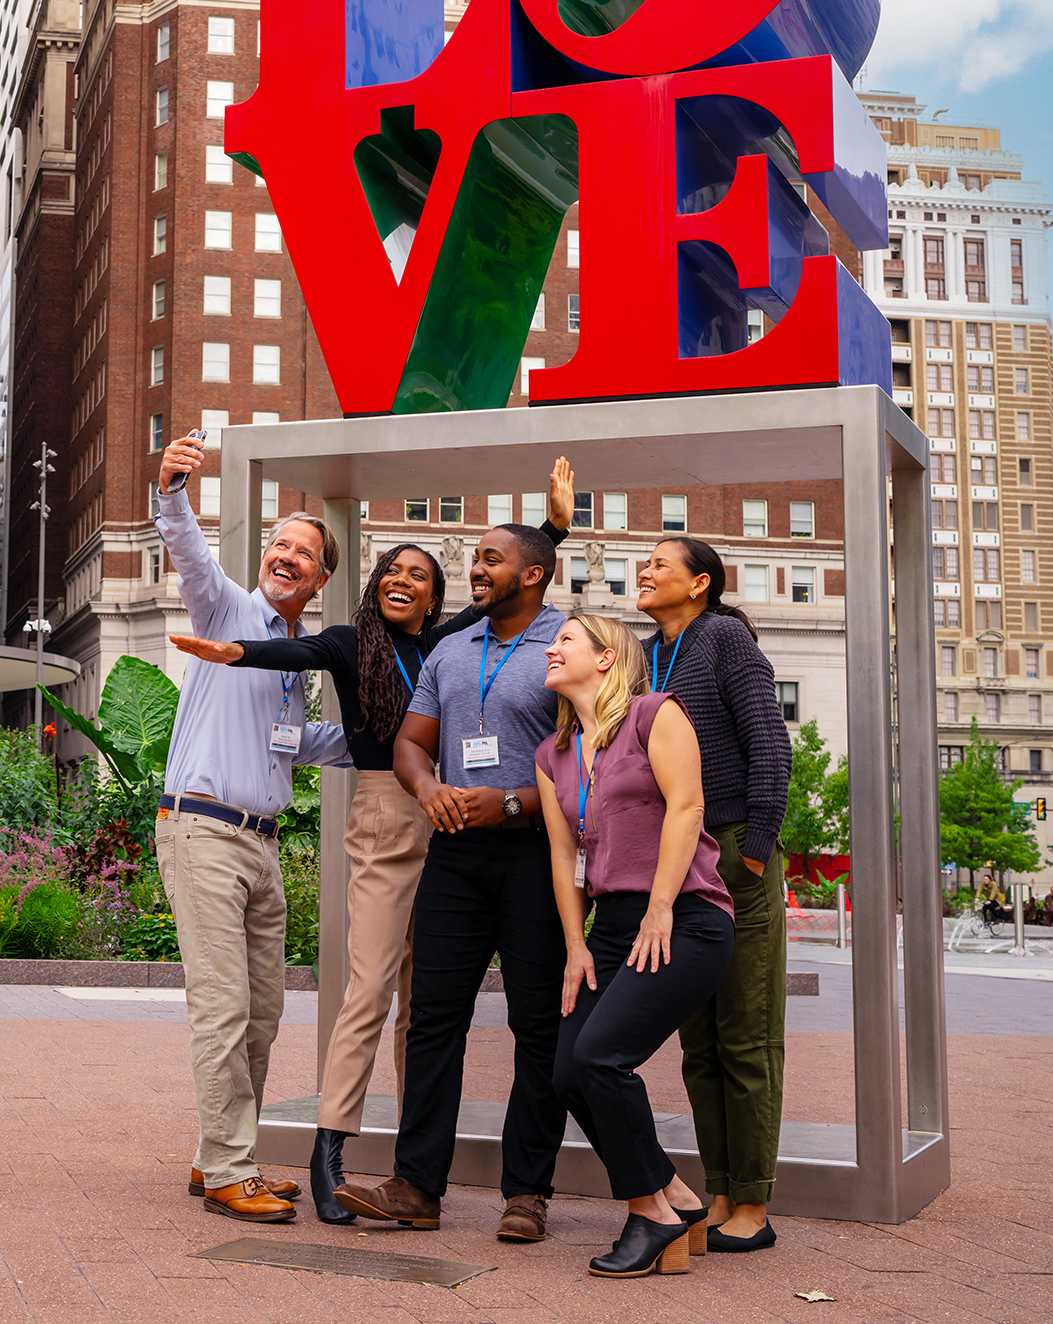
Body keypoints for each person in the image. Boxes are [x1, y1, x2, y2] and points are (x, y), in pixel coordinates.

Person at [167, 461, 575, 1224]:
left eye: (419, 574)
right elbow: (295, 655)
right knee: (369, 989)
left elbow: (516, 581)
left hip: (459, 819)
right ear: (369, 582)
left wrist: (550, 531)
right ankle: (331, 1151)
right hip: (392, 813)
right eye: (392, 569)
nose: (404, 580)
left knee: (430, 1005)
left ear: (435, 595)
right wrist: (238, 654)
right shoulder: (348, 641)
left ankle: (416, 1176)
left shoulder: (454, 643)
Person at [334, 524, 569, 1242]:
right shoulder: (449, 649)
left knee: (538, 1026)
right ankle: (416, 1185)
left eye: (491, 559)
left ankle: (527, 1192)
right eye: (474, 558)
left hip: (536, 853)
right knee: (434, 1018)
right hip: (455, 853)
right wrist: (427, 784)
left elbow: (593, 748)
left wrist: (513, 801)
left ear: (531, 575)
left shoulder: (570, 642)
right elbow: (411, 739)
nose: (476, 568)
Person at [153, 430, 352, 1225]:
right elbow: (192, 556)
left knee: (263, 1011)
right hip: (203, 832)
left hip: (261, 845)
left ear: (322, 578)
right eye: (279, 541)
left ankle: (218, 1157)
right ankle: (234, 1166)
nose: (287, 554)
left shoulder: (295, 661)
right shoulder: (228, 606)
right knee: (224, 1007)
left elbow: (296, 744)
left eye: (303, 551)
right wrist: (171, 491)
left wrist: (389, 739)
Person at [535, 614, 733, 1278]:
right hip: (611, 926)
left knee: (600, 1057)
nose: (549, 648)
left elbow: (686, 808)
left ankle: (648, 1210)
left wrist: (660, 907)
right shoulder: (552, 754)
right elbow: (564, 856)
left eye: (564, 638)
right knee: (566, 1072)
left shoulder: (655, 714)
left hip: (686, 914)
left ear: (605, 656)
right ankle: (677, 1198)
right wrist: (575, 944)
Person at [635, 535, 791, 1252]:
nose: (645, 569)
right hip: (677, 854)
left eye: (660, 563)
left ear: (699, 584)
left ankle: (752, 1205)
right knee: (696, 1041)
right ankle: (720, 1188)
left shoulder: (724, 638)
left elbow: (768, 740)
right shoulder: (642, 654)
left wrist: (755, 849)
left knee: (745, 1035)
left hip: (732, 848)